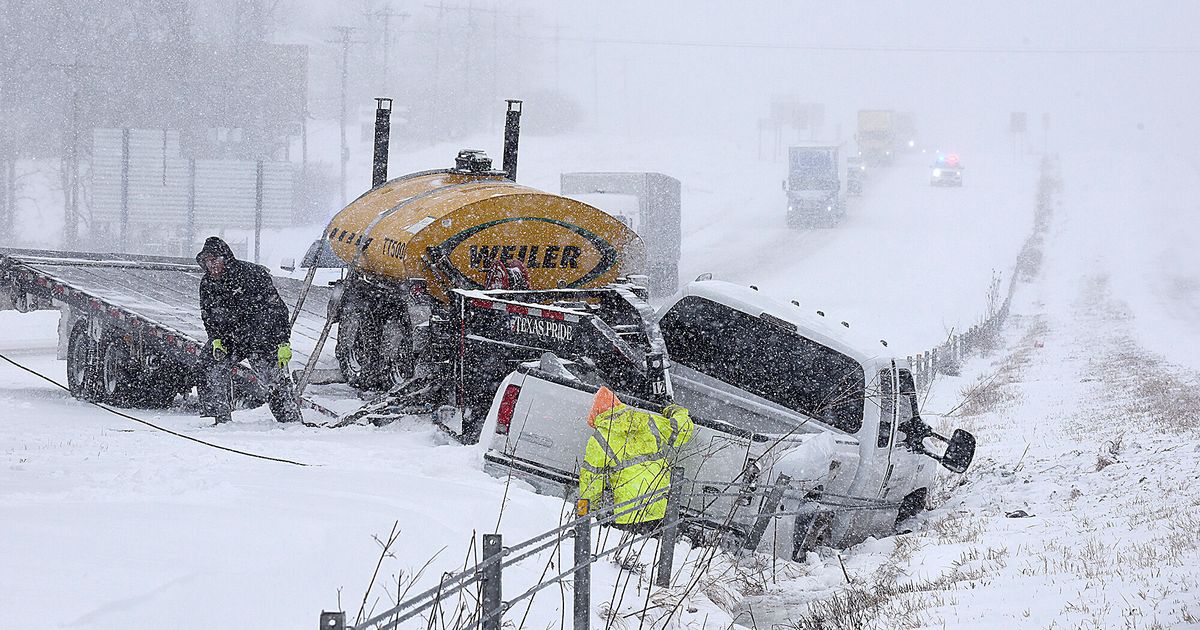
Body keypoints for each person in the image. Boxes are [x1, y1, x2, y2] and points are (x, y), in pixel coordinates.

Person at [195, 236, 302, 425]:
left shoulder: (252, 274)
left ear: (225, 258)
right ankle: (220, 419)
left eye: (215, 260)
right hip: (231, 339)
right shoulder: (207, 284)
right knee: (208, 365)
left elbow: (277, 310)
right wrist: (215, 338)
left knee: (274, 381)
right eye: (207, 261)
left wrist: (283, 341)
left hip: (261, 337)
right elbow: (208, 314)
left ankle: (291, 421)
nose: (212, 265)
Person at [578, 386, 694, 535]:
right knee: (658, 552)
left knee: (630, 549)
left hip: (627, 513)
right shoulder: (647, 421)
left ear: (597, 414)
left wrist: (586, 511)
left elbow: (590, 481)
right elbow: (682, 431)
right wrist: (676, 410)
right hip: (658, 504)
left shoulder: (599, 438)